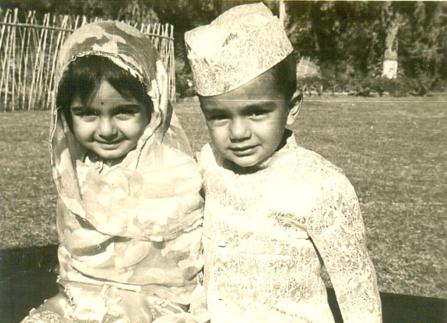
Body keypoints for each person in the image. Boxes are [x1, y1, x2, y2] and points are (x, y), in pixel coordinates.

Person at [185, 3, 382, 322]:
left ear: (291, 107)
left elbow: (355, 282)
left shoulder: (320, 185)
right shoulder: (208, 164)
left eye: (256, 112)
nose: (238, 132)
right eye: (219, 116)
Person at [22, 21, 206, 323]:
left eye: (124, 111)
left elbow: (182, 270)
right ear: (66, 113)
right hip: (83, 302)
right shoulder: (76, 177)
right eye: (87, 113)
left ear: (152, 106)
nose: (106, 130)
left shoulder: (177, 173)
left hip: (162, 309)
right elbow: (74, 272)